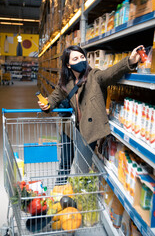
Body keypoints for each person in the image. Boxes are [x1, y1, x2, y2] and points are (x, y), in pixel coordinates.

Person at [38, 44, 142, 179]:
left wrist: (129, 61)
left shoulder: (94, 76)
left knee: (82, 168)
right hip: (71, 127)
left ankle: (79, 195)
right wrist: (46, 104)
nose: (80, 61)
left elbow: (109, 74)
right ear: (68, 65)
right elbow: (54, 97)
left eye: (82, 57)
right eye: (75, 59)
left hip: (89, 130)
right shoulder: (65, 82)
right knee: (65, 163)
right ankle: (60, 190)